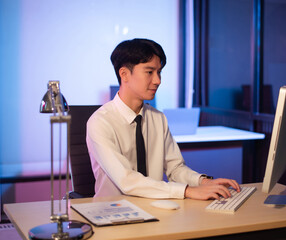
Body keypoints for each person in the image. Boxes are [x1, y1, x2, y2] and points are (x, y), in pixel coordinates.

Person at [86, 38, 240, 200]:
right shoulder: (100, 122)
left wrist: (202, 182)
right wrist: (187, 191)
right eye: (149, 72)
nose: (158, 81)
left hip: (154, 208)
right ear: (124, 74)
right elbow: (126, 180)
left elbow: (175, 168)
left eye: (159, 72)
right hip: (113, 214)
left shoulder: (157, 118)